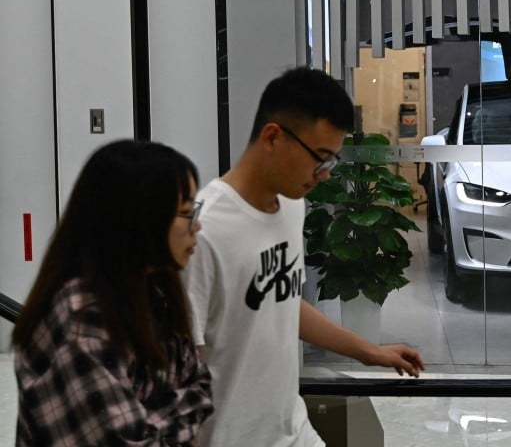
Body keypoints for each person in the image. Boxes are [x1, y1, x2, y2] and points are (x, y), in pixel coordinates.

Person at [183, 66, 425, 446]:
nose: (324, 175)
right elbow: (181, 371)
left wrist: (369, 352)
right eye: (320, 158)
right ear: (273, 137)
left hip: (293, 432)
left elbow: (283, 303)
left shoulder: (291, 204)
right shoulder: (203, 231)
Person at [12, 140, 213, 446]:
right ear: (139, 219)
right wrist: (179, 412)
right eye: (186, 212)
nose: (196, 226)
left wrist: (156, 419)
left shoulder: (154, 292)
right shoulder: (80, 320)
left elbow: (200, 387)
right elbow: (130, 439)